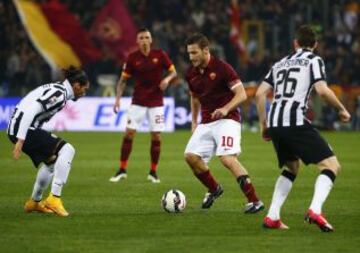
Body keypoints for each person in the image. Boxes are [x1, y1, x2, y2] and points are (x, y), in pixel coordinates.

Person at [255, 25, 351, 231]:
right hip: (295, 122)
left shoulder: (280, 63)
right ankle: (315, 209)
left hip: (276, 123)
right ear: (315, 45)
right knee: (331, 166)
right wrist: (341, 109)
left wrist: (264, 124)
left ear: (295, 43)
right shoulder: (314, 60)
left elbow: (259, 94)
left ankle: (272, 216)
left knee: (291, 167)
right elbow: (322, 91)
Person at [184, 33, 264, 212]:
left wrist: (226, 109)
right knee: (190, 157)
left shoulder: (222, 68)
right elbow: (194, 97)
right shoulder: (191, 73)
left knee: (227, 159)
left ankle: (254, 200)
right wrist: (194, 122)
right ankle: (214, 188)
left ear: (206, 50)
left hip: (228, 120)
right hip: (206, 121)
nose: (191, 57)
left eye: (194, 53)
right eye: (189, 53)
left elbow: (242, 94)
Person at [7, 66, 90, 217]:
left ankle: (35, 202)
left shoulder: (60, 91)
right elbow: (32, 110)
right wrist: (20, 140)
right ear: (76, 85)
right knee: (67, 150)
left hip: (22, 128)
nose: (84, 93)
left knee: (52, 163)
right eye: (84, 88)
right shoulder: (59, 93)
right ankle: (54, 199)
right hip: (23, 128)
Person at [110, 28, 177, 183]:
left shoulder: (160, 55)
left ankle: (153, 172)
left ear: (151, 40)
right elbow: (123, 81)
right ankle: (122, 169)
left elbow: (174, 72)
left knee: (156, 137)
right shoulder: (132, 58)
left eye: (147, 37)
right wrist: (117, 99)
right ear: (137, 41)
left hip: (156, 102)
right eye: (141, 38)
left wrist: (167, 80)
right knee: (128, 134)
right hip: (138, 102)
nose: (145, 40)